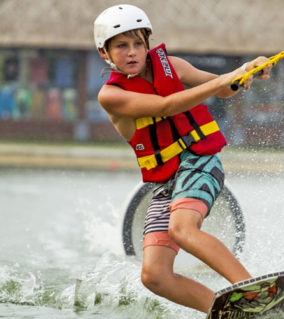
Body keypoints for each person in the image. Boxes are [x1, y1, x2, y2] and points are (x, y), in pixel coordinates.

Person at [93, 4, 272, 313]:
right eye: (122, 45)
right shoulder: (111, 95)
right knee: (154, 276)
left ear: (148, 43)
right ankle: (229, 313)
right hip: (166, 183)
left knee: (182, 230)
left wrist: (245, 72)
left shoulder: (171, 65)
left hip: (200, 162)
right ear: (104, 53)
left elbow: (224, 87)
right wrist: (220, 82)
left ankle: (259, 296)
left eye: (138, 43)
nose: (132, 52)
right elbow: (166, 106)